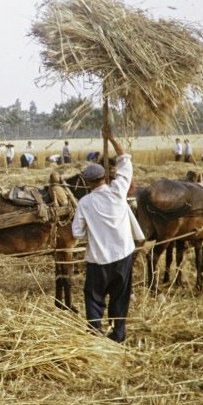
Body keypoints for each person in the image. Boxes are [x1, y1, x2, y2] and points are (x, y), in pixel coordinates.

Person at [71, 129, 144, 344]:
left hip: (99, 260)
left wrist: (91, 230)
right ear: (105, 177)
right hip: (123, 255)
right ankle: (118, 335)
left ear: (87, 183)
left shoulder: (84, 203)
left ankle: (95, 334)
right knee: (120, 296)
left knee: (93, 297)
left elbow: (76, 232)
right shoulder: (118, 190)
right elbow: (125, 160)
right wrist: (112, 138)